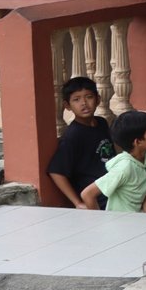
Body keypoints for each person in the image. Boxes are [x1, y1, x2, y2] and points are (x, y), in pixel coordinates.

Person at [47, 77, 115, 210]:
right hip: (97, 197)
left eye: (89, 97)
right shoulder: (73, 135)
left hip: (113, 187)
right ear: (67, 105)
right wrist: (77, 203)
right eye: (76, 99)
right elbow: (56, 171)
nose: (84, 103)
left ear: (98, 99)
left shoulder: (101, 123)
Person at [80, 111, 146, 214]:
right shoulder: (124, 168)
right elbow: (87, 194)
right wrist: (99, 222)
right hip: (118, 224)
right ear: (138, 142)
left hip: (139, 220)